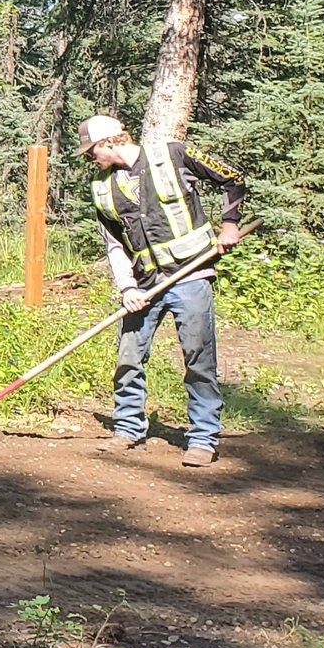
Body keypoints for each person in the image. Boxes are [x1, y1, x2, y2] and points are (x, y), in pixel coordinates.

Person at [80, 114, 249, 467]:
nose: (88, 158)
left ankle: (203, 437)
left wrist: (229, 225)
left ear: (110, 141)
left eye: (91, 150)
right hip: (143, 285)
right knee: (129, 357)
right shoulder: (101, 188)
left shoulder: (173, 155)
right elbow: (114, 245)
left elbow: (233, 178)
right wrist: (127, 287)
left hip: (191, 275)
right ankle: (127, 429)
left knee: (198, 358)